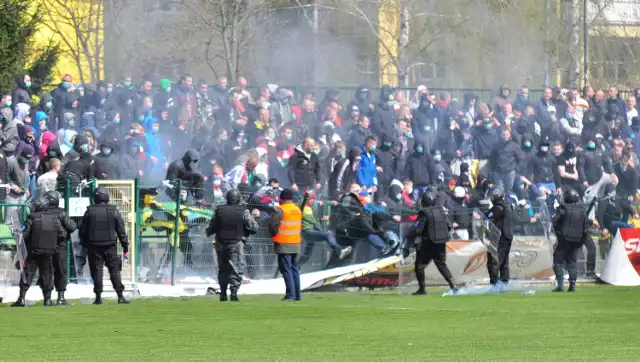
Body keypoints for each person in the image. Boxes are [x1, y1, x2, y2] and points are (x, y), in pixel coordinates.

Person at [11, 194, 76, 307]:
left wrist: (15, 232)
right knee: (47, 275)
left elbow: (23, 235)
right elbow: (62, 233)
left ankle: (21, 299)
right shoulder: (55, 218)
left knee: (28, 274)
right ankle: (48, 300)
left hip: (34, 252)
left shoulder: (32, 218)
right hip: (49, 252)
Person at [79, 187, 130, 304]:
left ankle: (98, 297)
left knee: (97, 271)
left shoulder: (89, 212)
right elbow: (121, 230)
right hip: (110, 246)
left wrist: (86, 244)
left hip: (94, 247)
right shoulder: (114, 211)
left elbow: (83, 231)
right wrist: (125, 246)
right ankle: (120, 296)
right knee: (115, 271)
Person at [206, 189, 259, 302]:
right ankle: (234, 292)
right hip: (236, 243)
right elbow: (254, 227)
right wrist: (246, 231)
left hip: (220, 243)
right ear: (238, 198)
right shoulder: (243, 211)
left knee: (223, 268)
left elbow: (211, 226)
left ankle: (223, 293)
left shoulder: (219, 210)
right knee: (237, 268)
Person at [404, 191, 457, 295]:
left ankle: (422, 289)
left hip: (428, 243)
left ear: (424, 201)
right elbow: (449, 225)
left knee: (419, 266)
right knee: (441, 264)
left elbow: (418, 229)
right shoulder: (441, 210)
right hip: (441, 243)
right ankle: (453, 286)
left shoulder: (423, 212)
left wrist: (409, 235)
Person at [41, 191, 77, 305]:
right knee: (61, 271)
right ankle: (60, 298)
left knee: (46, 271)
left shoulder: (40, 212)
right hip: (59, 245)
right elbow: (71, 227)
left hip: (45, 245)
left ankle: (47, 299)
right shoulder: (61, 212)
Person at [268, 188, 302, 301]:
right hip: (296, 243)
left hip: (283, 243)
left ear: (280, 198)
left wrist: (273, 237)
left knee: (286, 270)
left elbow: (273, 226)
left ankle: (290, 295)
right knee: (294, 270)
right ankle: (297, 294)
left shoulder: (279, 210)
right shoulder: (297, 209)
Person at [552, 188, 588, 292]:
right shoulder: (582, 209)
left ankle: (560, 285)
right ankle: (572, 285)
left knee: (558, 259)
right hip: (577, 239)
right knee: (572, 261)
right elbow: (585, 224)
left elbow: (555, 222)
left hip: (564, 238)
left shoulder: (563, 208)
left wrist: (559, 234)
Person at [486, 188, 514, 290]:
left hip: (500, 238)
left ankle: (494, 284)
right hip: (508, 236)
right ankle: (504, 283)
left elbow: (488, 218)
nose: (491, 198)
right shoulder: (508, 206)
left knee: (494, 261)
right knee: (504, 261)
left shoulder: (498, 208)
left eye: (492, 196)